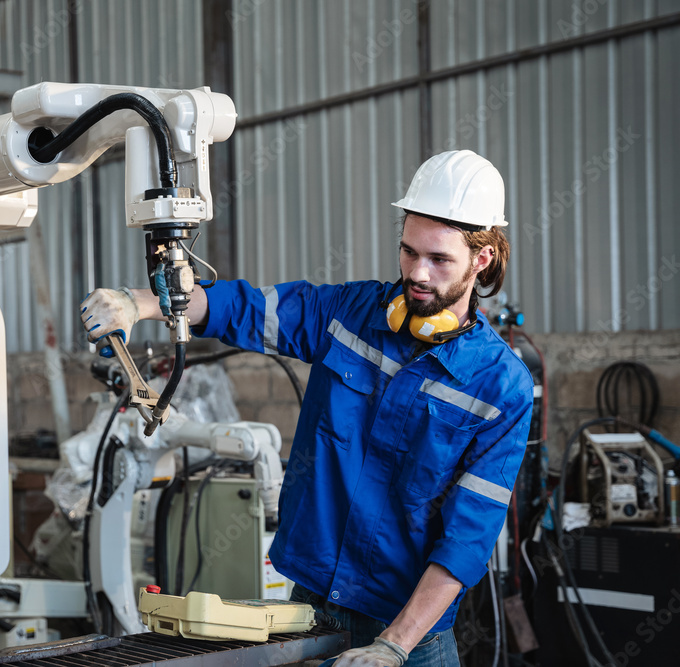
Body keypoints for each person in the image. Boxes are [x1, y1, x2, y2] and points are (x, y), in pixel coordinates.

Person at [80, 150, 534, 666]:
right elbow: (247, 309)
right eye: (408, 252)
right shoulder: (349, 315)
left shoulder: (501, 387)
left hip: (408, 633)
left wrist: (392, 647)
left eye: (439, 260)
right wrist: (137, 302)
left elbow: (467, 539)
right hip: (311, 611)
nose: (417, 273)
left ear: (483, 258)